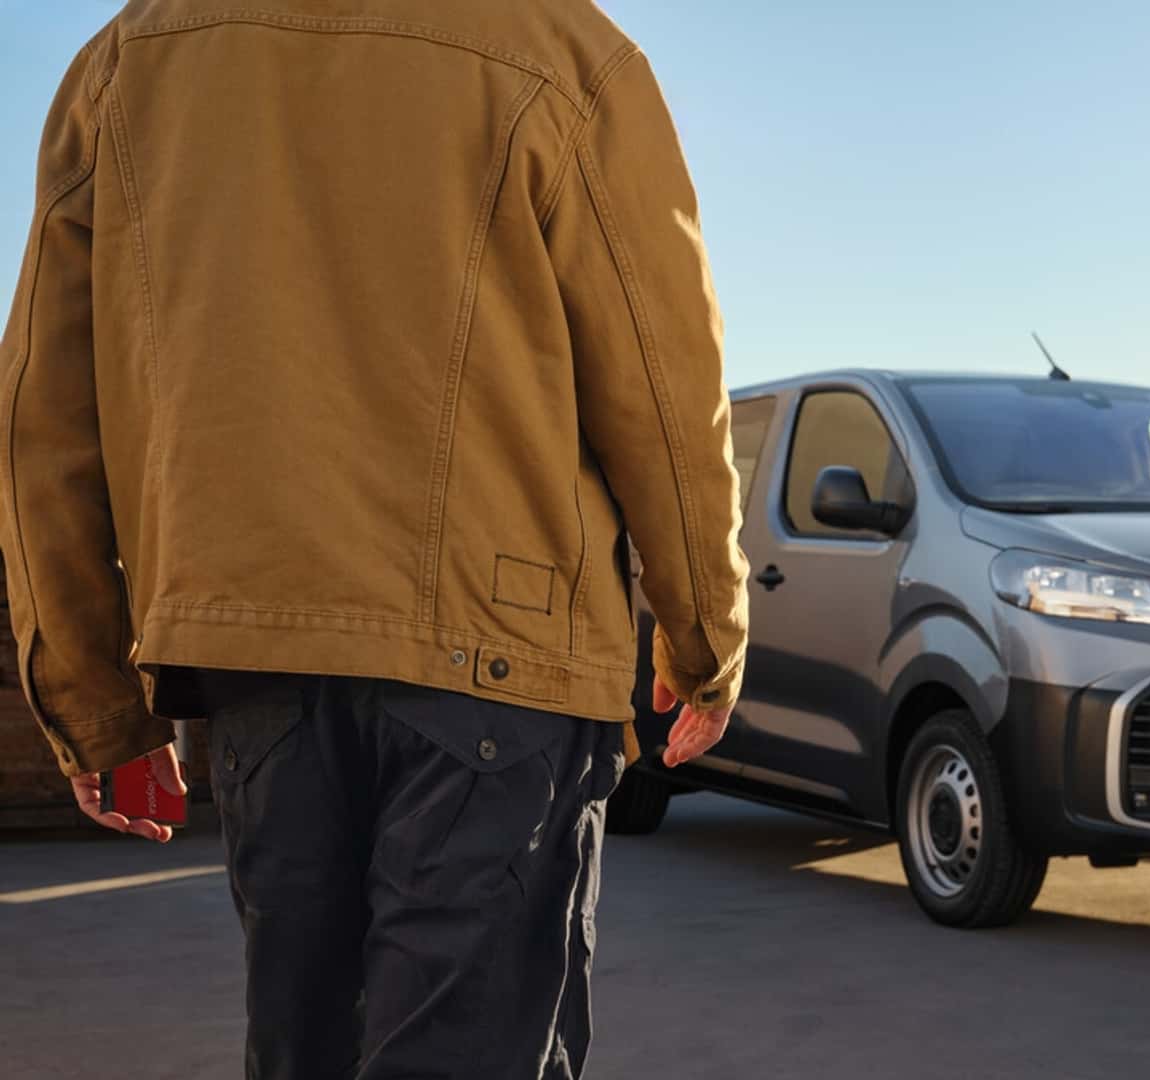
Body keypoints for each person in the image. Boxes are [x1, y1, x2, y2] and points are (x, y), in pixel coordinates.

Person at [0, 0, 751, 1075]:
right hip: (505, 664)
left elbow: (41, 416)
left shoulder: (129, 60)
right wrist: (704, 633)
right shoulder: (562, 49)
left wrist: (95, 704)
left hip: (259, 666)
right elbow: (666, 383)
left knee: (303, 1047)